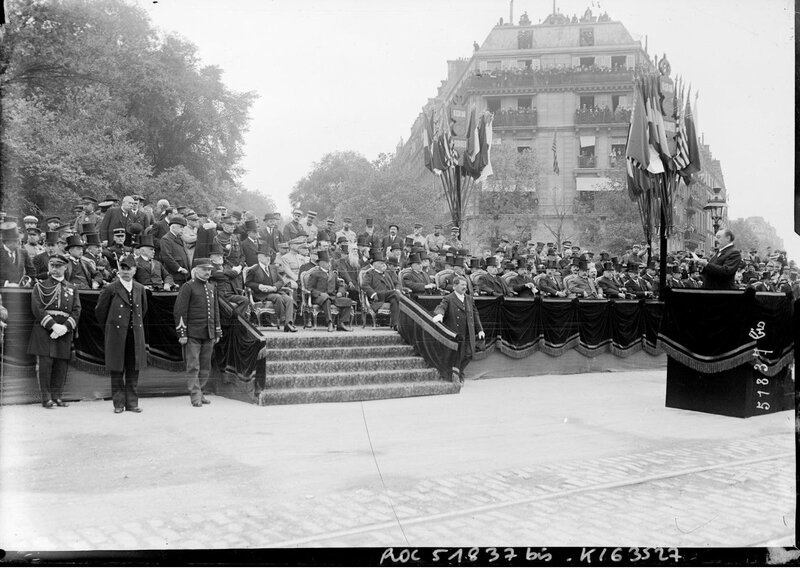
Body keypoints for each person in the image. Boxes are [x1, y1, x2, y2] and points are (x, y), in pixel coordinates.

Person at [95, 254, 148, 413]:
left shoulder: (139, 288)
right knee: (117, 369)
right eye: (122, 269)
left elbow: (143, 310)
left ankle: (132, 403)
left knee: (133, 369)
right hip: (117, 335)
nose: (125, 272)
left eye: (128, 269)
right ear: (118, 270)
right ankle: (118, 404)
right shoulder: (111, 288)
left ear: (134, 270)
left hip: (135, 334)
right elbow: (100, 312)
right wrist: (110, 329)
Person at [28, 254, 81, 408]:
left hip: (64, 330)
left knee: (61, 365)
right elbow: (37, 308)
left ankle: (57, 396)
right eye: (52, 265)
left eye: (58, 266)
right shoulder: (40, 286)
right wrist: (53, 325)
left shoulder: (72, 288)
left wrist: (65, 327)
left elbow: (77, 311)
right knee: (45, 364)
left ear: (65, 267)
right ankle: (46, 398)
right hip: (44, 330)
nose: (55, 269)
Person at [174, 258, 223, 407]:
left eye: (209, 270)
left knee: (205, 365)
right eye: (204, 270)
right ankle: (195, 395)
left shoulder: (211, 287)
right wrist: (182, 333)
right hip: (192, 334)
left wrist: (217, 331)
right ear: (196, 270)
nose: (208, 272)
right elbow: (179, 311)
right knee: (193, 366)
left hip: (208, 333)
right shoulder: (188, 287)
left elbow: (215, 311)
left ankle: (200, 392)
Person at [432, 276, 485, 384]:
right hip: (456, 332)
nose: (464, 287)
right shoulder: (448, 298)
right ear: (455, 286)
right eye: (462, 285)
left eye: (465, 285)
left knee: (469, 354)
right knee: (457, 355)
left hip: (468, 331)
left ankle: (459, 372)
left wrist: (480, 329)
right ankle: (456, 375)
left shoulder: (469, 298)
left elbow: (475, 314)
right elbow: (441, 307)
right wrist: (439, 315)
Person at [306, 250, 353, 332]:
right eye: (327, 263)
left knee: (348, 301)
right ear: (321, 263)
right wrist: (320, 294)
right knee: (326, 299)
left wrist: (340, 292)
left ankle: (341, 323)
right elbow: (310, 288)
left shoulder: (333, 274)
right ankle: (330, 322)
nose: (329, 264)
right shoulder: (315, 273)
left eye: (329, 262)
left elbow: (341, 285)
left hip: (332, 296)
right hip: (319, 298)